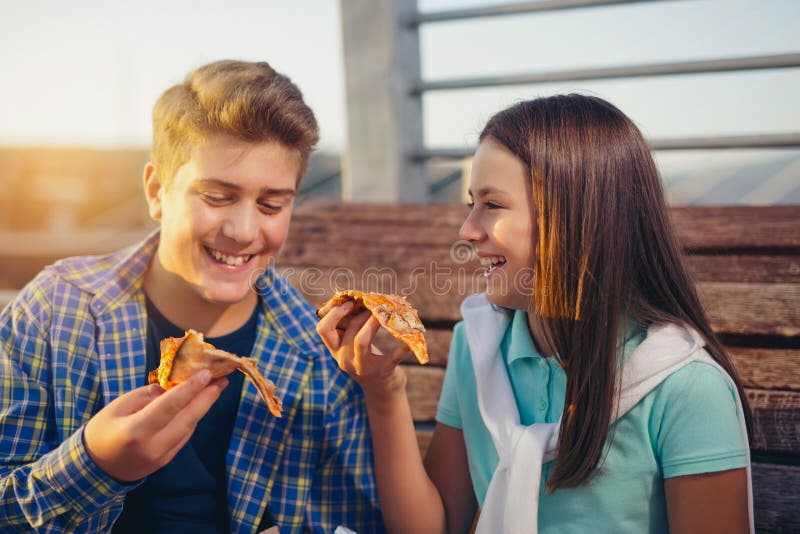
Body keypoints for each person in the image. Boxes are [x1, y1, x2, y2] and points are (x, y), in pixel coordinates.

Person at [317, 94, 753, 533]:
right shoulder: (479, 347)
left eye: (492, 204)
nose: (467, 230)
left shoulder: (686, 389)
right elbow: (438, 527)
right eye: (472, 203)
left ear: (576, 217)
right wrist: (383, 390)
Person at [0, 59, 384, 533]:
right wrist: (94, 465)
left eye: (271, 204)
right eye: (217, 197)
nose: (244, 231)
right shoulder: (53, 312)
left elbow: (351, 521)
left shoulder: (323, 359)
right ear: (158, 191)